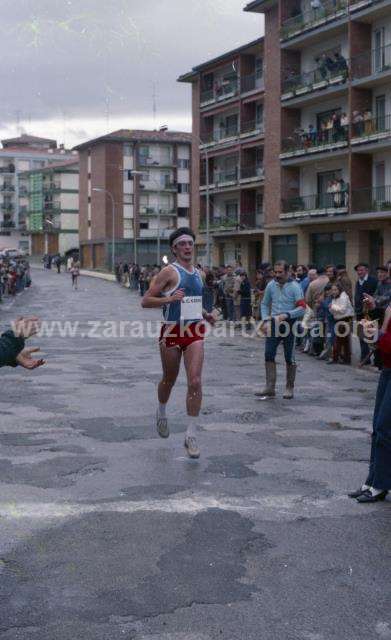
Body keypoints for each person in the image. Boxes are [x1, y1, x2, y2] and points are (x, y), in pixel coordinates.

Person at [141, 227, 215, 459]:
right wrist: (169, 298)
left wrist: (206, 314)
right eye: (182, 243)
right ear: (174, 248)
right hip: (172, 331)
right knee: (169, 379)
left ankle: (191, 434)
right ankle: (162, 411)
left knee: (195, 381)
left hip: (194, 330)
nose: (187, 247)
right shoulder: (168, 272)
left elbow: (192, 302)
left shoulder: (199, 273)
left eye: (190, 243)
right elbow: (145, 301)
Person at [349, 305, 391, 502]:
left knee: (384, 428)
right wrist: (376, 310)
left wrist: (379, 333)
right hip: (387, 369)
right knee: (377, 427)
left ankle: (381, 484)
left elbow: (387, 340)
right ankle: (373, 480)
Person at [256, 260, 305, 400]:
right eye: (275, 272)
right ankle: (270, 387)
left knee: (289, 356)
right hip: (273, 323)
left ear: (287, 271)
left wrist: (287, 314)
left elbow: (302, 308)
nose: (277, 275)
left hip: (289, 324)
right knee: (269, 354)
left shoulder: (295, 286)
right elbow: (264, 304)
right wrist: (265, 320)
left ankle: (289, 387)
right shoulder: (271, 285)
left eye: (280, 272)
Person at [354, 263, 378, 365]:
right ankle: (365, 357)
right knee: (361, 335)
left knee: (373, 336)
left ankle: (377, 359)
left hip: (371, 313)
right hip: (360, 312)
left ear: (367, 270)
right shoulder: (358, 282)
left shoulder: (373, 281)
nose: (360, 272)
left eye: (362, 270)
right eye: (358, 270)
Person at [328, 282, 354, 364]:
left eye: (335, 290)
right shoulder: (334, 297)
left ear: (339, 290)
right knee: (343, 340)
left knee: (339, 340)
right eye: (332, 290)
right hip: (338, 319)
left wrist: (332, 307)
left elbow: (342, 309)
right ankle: (345, 359)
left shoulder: (343, 296)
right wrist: (332, 308)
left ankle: (336, 358)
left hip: (345, 319)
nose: (333, 291)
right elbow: (332, 311)